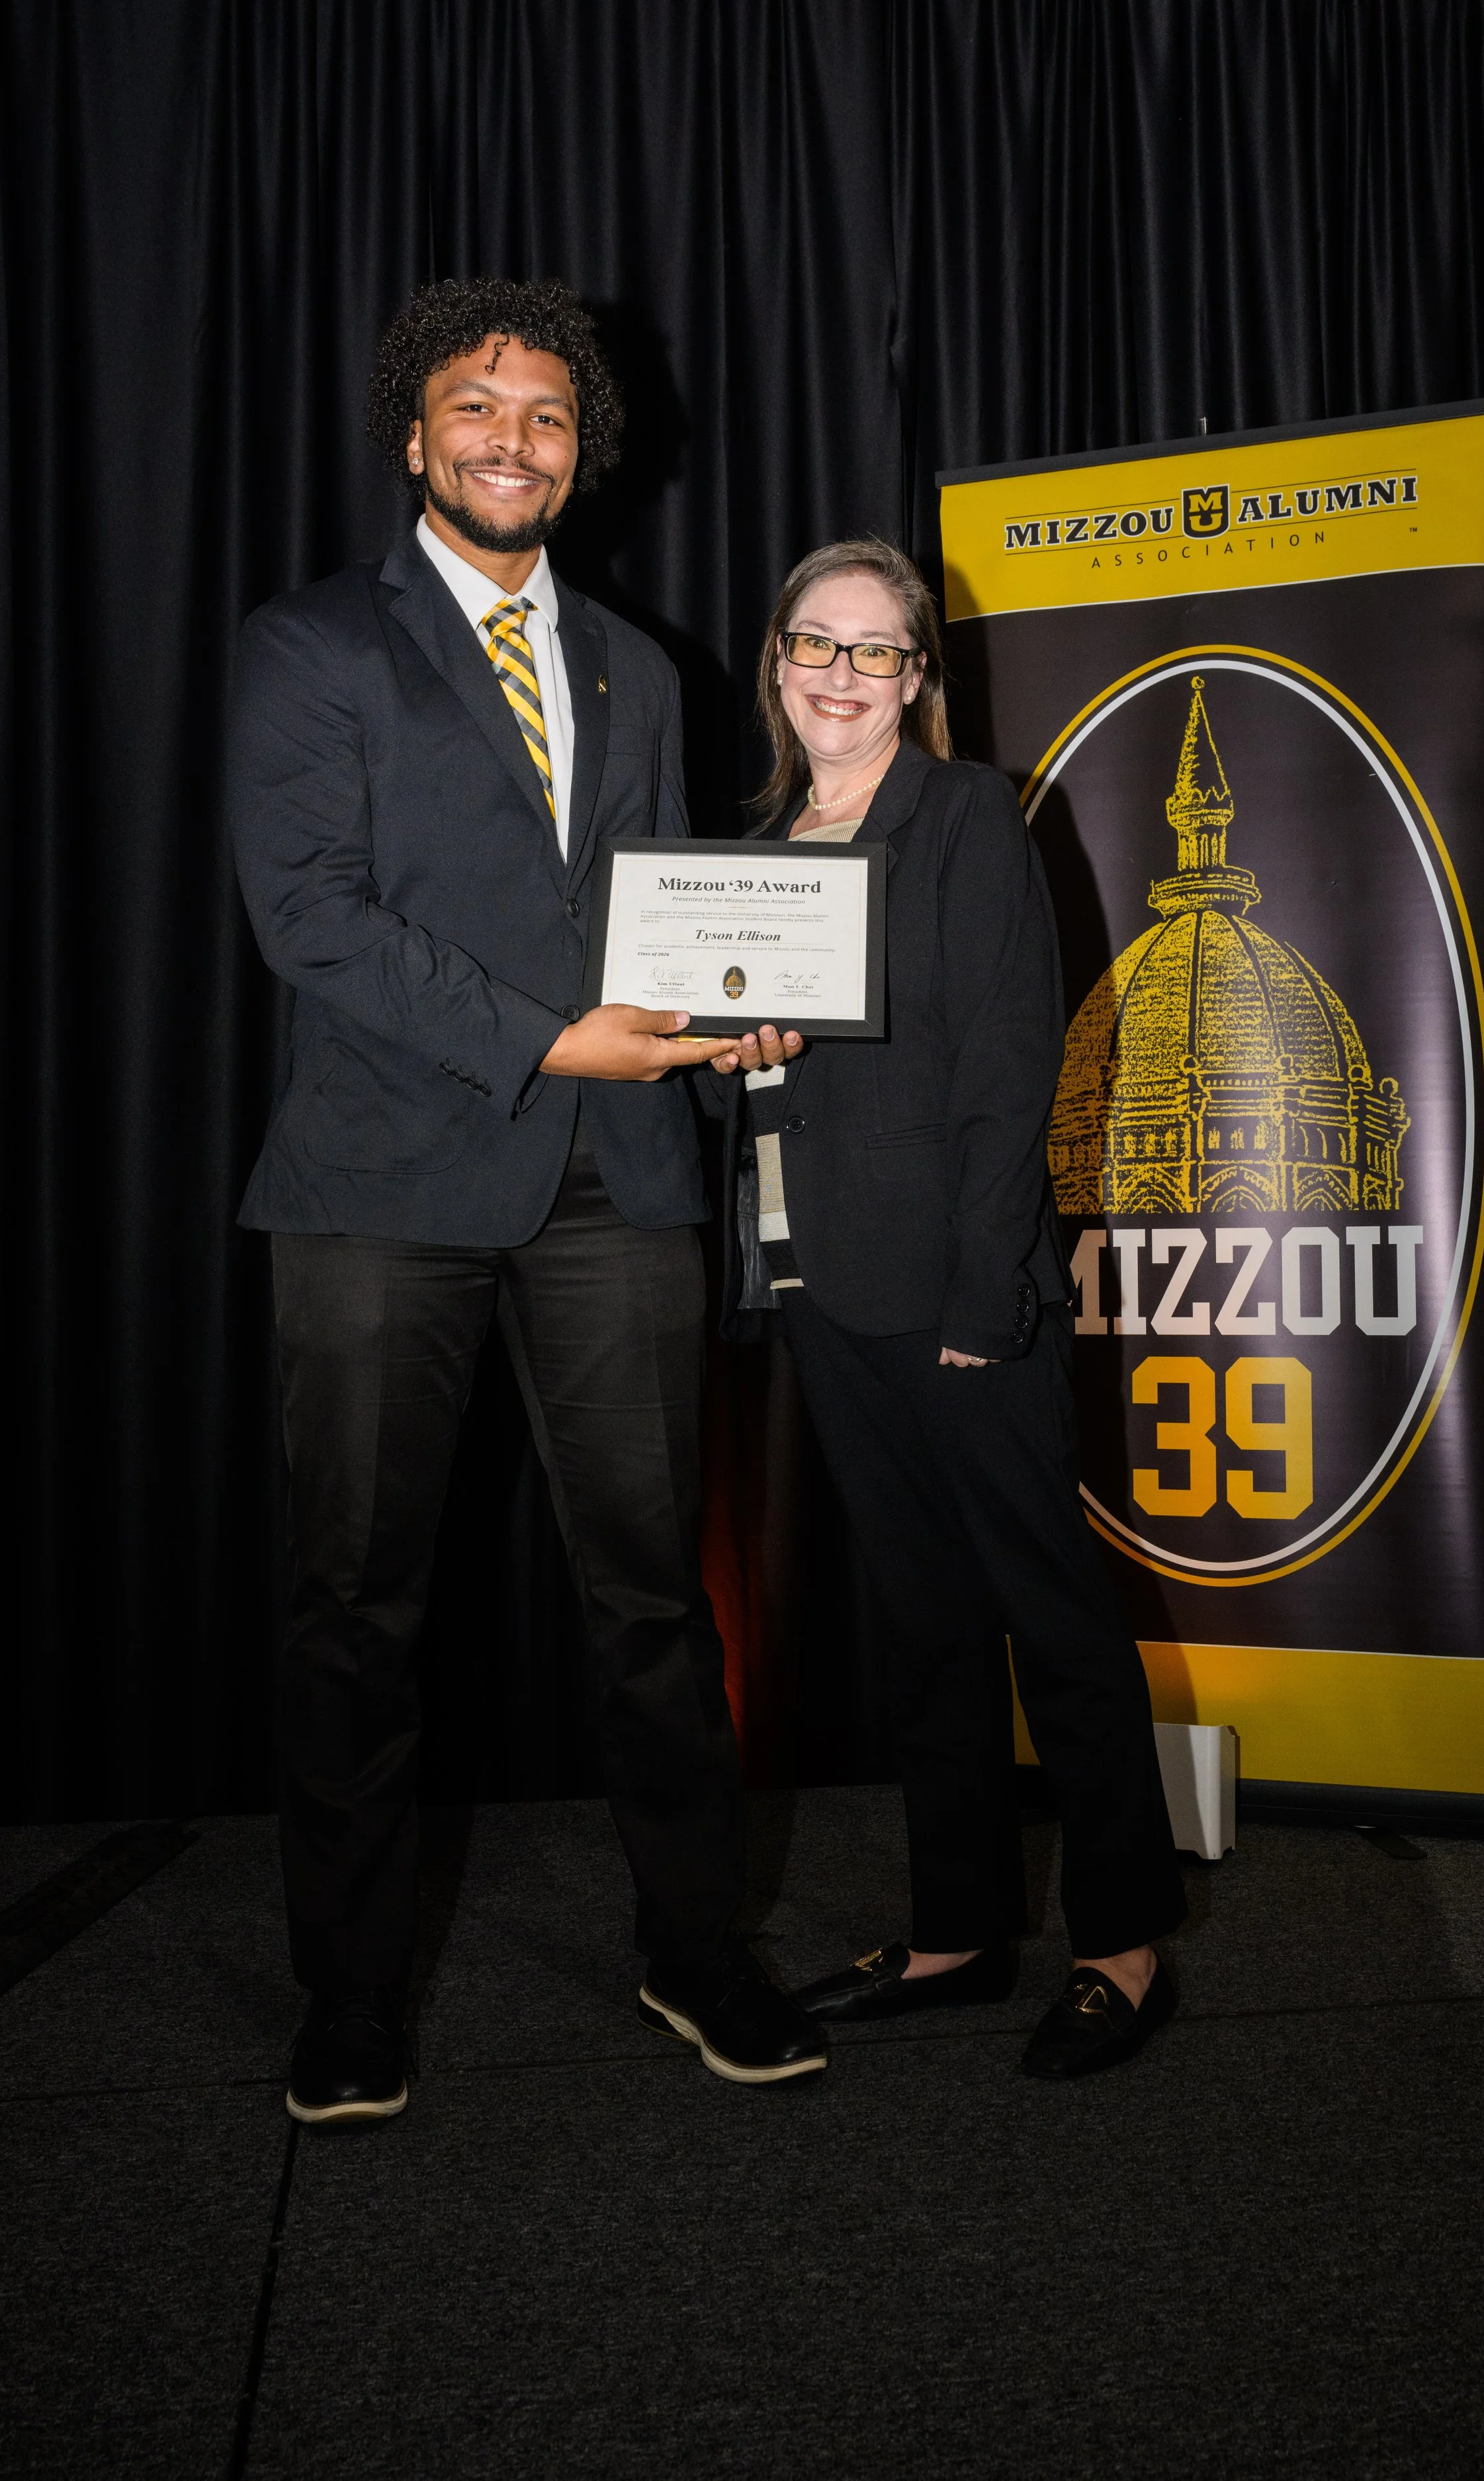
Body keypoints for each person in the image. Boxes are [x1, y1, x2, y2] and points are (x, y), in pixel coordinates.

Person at [230, 277, 824, 2121]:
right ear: (415, 434)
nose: (513, 438)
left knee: (658, 1602)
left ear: (585, 454)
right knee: (357, 1604)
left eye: (549, 415)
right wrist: (554, 1039)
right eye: (477, 407)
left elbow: (658, 908)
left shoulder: (640, 668)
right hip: (376, 1187)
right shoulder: (311, 644)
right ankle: (348, 1991)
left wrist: (730, 1010)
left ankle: (692, 1943)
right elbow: (311, 914)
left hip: (619, 1188)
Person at [710, 539, 1188, 2079]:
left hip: (957, 1292)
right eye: (814, 644)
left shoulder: (967, 813)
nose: (839, 674)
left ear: (917, 679)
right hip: (820, 1286)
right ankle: (956, 1930)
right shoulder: (759, 841)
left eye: (874, 651)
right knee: (919, 1627)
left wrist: (989, 1293)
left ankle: (1118, 1940)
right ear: (777, 660)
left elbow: (1009, 1064)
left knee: (1051, 1619)